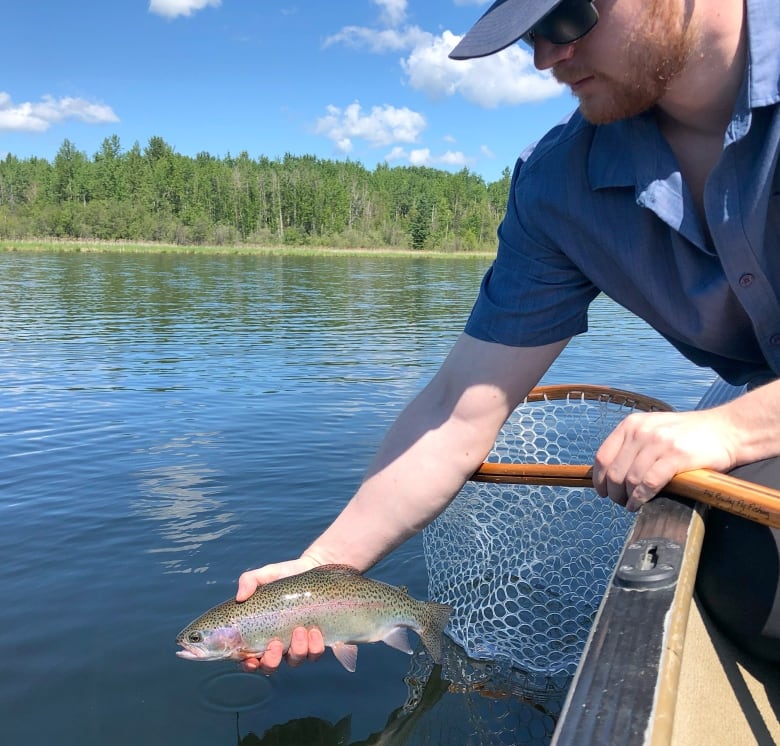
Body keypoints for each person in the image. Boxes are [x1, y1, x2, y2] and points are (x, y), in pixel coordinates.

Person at [237, 0, 780, 672]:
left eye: (566, 18)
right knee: (746, 589)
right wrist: (321, 568)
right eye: (529, 33)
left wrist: (731, 431)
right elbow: (458, 407)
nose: (545, 58)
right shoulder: (558, 187)